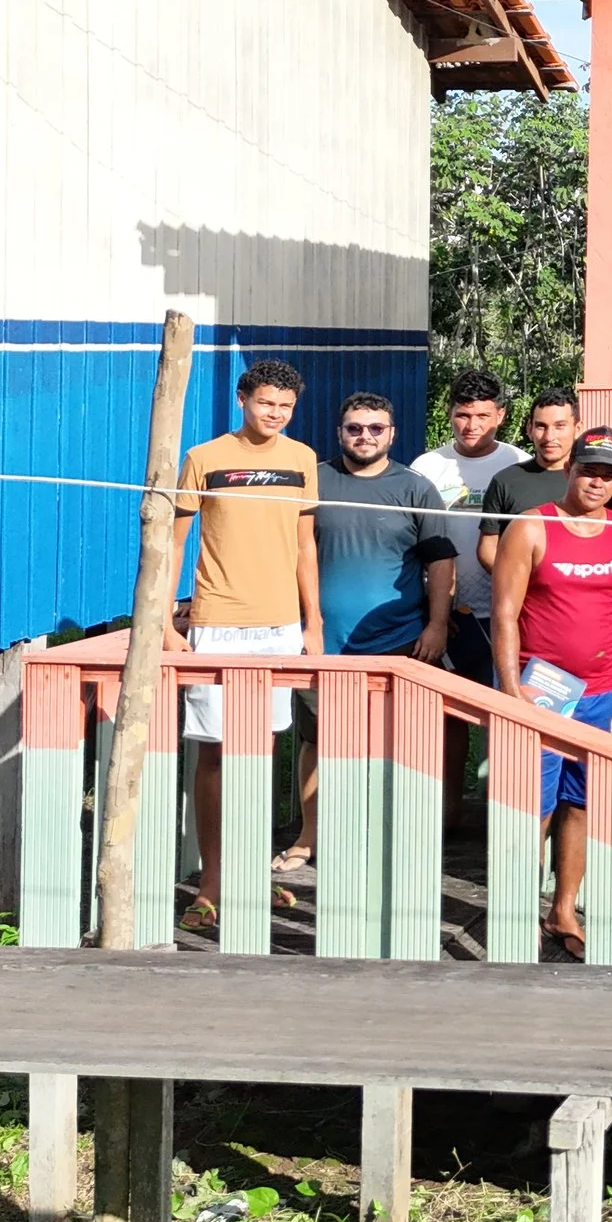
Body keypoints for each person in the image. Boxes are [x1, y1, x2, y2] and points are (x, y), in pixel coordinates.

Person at [166, 359, 321, 932]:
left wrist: (314, 623)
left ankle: (251, 873)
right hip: (218, 621)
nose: (275, 415)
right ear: (242, 400)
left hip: (280, 625)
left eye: (284, 407)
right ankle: (212, 878)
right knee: (214, 752)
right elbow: (174, 542)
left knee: (260, 752)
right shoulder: (204, 458)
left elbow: (306, 545)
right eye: (265, 404)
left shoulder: (302, 459)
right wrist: (163, 623)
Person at [490, 425, 612, 960]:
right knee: (531, 807)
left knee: (580, 804)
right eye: (589, 470)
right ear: (570, 470)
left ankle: (564, 907)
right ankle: (518, 912)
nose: (597, 482)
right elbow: (505, 613)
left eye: (608, 474)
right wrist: (512, 689)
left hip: (601, 694)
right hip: (540, 691)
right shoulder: (532, 528)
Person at [286, 391, 454, 869]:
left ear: (392, 434)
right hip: (323, 640)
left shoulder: (416, 488)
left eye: (375, 428)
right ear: (339, 433)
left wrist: (437, 625)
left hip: (399, 641)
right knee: (318, 741)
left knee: (397, 743)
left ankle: (393, 838)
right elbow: (289, 553)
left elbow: (441, 562)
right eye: (355, 428)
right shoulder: (313, 481)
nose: (365, 436)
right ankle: (310, 835)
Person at [412, 368, 529, 826]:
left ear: (500, 415)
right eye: (463, 415)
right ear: (450, 415)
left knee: (505, 719)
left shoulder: (517, 464)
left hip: (501, 613)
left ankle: (506, 819)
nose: (472, 425)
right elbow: (416, 540)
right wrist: (433, 610)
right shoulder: (427, 466)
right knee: (445, 720)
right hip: (443, 615)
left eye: (483, 415)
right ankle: (447, 815)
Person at [479, 389, 580, 573]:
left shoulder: (593, 485)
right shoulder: (505, 482)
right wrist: (517, 582)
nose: (549, 437)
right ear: (529, 429)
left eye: (559, 426)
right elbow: (488, 548)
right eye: (541, 426)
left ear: (577, 429)